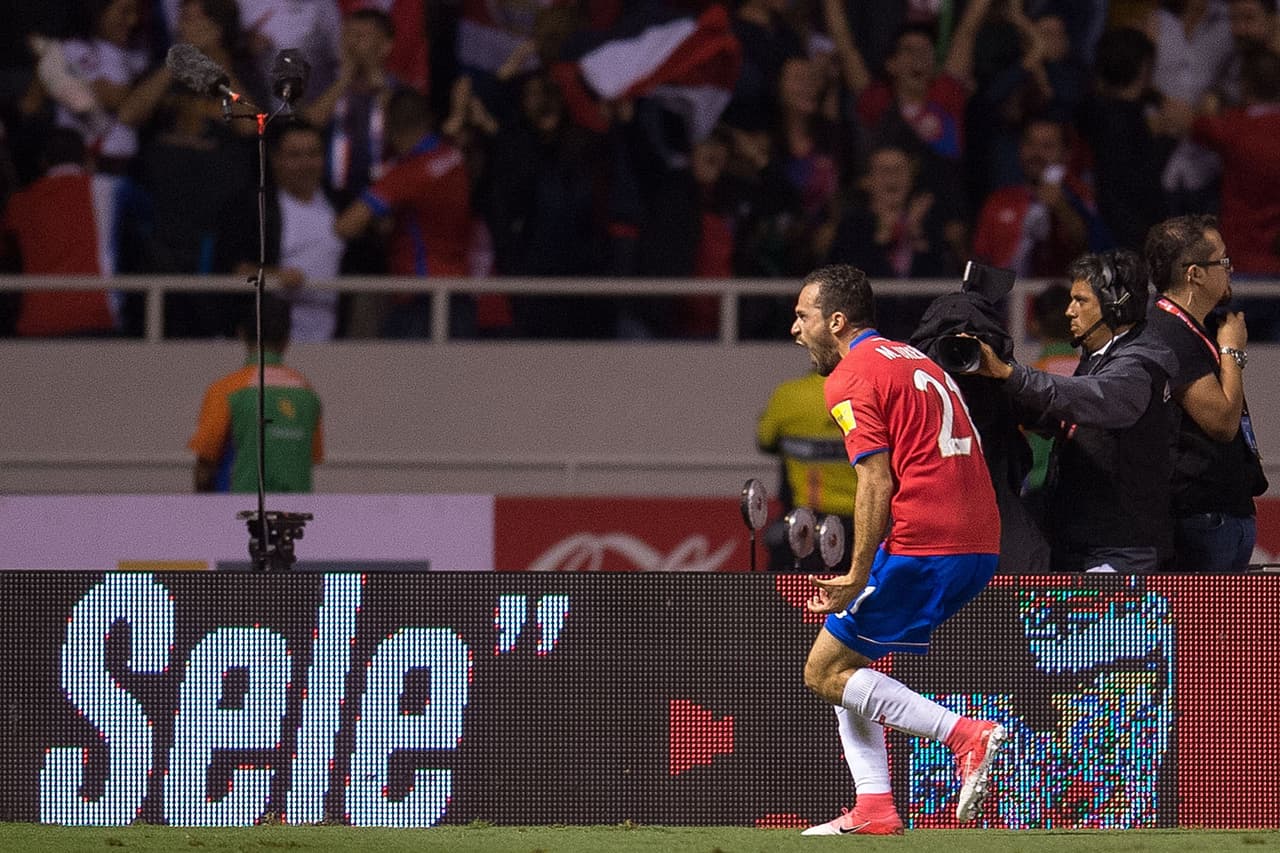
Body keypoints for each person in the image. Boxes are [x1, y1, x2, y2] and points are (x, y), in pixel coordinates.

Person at [791, 264, 1005, 836]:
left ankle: (965, 735)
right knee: (847, 659)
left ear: (835, 322)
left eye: (803, 316)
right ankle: (876, 809)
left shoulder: (849, 377)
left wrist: (858, 573)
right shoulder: (916, 359)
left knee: (822, 670)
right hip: (977, 540)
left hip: (928, 540)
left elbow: (875, 481)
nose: (794, 328)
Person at [971, 250, 1178, 574]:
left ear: (1115, 304)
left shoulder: (1139, 366)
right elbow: (1072, 421)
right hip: (1087, 542)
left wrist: (1011, 375)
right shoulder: (1099, 357)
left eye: (1081, 301)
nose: (1069, 311)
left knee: (1104, 628)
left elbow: (1089, 398)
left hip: (1120, 548)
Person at [1143, 214, 1268, 572]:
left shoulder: (1195, 329)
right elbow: (1222, 422)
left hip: (1223, 511)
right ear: (1194, 273)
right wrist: (1232, 352)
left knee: (1224, 631)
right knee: (1197, 629)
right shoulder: (1166, 333)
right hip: (1199, 517)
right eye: (1222, 261)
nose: (1230, 269)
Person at [215, 121, 345, 342]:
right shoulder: (252, 207)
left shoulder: (342, 206)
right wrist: (276, 276)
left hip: (332, 340)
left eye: (313, 154)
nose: (306, 164)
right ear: (275, 159)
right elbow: (231, 269)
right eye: (295, 155)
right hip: (267, 340)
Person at [188, 293, 324, 493]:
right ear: (287, 340)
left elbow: (204, 469)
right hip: (295, 518)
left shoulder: (226, 390)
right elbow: (310, 457)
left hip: (239, 515)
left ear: (242, 333)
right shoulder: (307, 393)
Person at [756, 369, 856, 572]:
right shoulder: (868, 395)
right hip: (865, 526)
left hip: (806, 527)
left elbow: (765, 440)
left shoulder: (789, 395)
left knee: (792, 598)